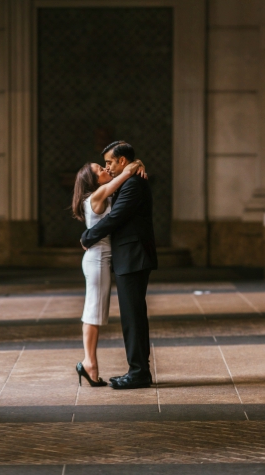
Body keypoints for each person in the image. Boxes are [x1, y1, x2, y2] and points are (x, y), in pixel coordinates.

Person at [80, 140, 158, 389]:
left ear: (122, 161)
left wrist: (88, 236)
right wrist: (135, 166)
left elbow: (116, 216)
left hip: (133, 256)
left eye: (110, 162)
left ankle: (138, 372)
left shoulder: (133, 183)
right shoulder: (128, 179)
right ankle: (138, 370)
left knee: (133, 317)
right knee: (132, 316)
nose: (108, 167)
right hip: (128, 257)